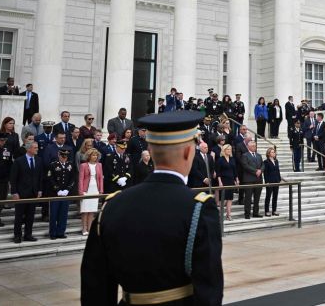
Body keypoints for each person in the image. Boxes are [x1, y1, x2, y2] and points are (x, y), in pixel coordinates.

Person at [80, 110, 223, 305]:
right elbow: (209, 290)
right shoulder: (199, 207)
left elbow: (95, 290)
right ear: (189, 152)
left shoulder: (112, 206)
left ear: (151, 150)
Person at [10, 140, 42, 243]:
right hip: (21, 193)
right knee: (19, 215)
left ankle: (28, 234)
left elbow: (40, 177)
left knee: (30, 216)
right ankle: (17, 235)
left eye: (37, 147)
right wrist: (14, 192)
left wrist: (40, 190)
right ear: (28, 149)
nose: (37, 149)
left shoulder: (39, 160)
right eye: (35, 148)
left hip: (33, 193)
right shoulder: (19, 161)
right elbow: (13, 178)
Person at [46, 148, 75, 239]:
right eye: (63, 156)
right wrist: (57, 189)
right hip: (55, 194)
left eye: (66, 157)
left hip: (65, 193)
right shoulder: (53, 165)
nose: (64, 158)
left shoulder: (70, 165)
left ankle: (61, 232)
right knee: (54, 214)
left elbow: (73, 178)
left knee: (63, 214)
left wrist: (68, 189)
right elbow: (50, 179)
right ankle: (53, 233)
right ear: (59, 155)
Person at [78, 148, 103, 236]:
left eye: (96, 155)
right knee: (85, 210)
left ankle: (90, 229)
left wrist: (101, 190)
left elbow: (100, 178)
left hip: (95, 189)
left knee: (92, 210)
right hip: (86, 190)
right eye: (93, 155)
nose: (95, 157)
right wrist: (81, 191)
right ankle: (84, 229)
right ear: (89, 156)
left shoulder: (99, 165)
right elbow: (81, 179)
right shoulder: (84, 165)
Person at [0, 131, 13, 227]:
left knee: (1, 200)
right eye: (1, 140)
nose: (3, 142)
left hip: (3, 181)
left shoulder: (7, 151)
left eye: (4, 140)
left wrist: (9, 178)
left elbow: (9, 165)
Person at [240, 140, 263, 219]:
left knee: (257, 198)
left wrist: (260, 170)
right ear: (248, 147)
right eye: (252, 146)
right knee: (248, 198)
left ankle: (256, 213)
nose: (254, 147)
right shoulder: (244, 155)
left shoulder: (259, 155)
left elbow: (263, 165)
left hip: (258, 179)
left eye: (255, 146)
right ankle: (247, 214)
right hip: (248, 180)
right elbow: (245, 166)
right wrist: (256, 171)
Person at [217, 144, 238, 220]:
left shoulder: (232, 159)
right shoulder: (220, 159)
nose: (229, 151)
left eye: (230, 149)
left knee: (230, 198)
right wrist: (220, 182)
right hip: (223, 180)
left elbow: (235, 170)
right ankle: (221, 214)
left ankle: (229, 214)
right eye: (228, 149)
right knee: (223, 199)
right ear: (224, 150)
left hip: (231, 180)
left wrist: (236, 179)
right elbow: (218, 172)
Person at [262, 147, 281, 217]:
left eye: (274, 152)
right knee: (268, 196)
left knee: (275, 196)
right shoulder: (266, 162)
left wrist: (279, 179)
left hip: (276, 180)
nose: (274, 153)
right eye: (272, 152)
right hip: (270, 181)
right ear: (268, 154)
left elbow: (278, 171)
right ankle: (267, 211)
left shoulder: (276, 161)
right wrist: (266, 181)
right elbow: (265, 172)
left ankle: (274, 210)